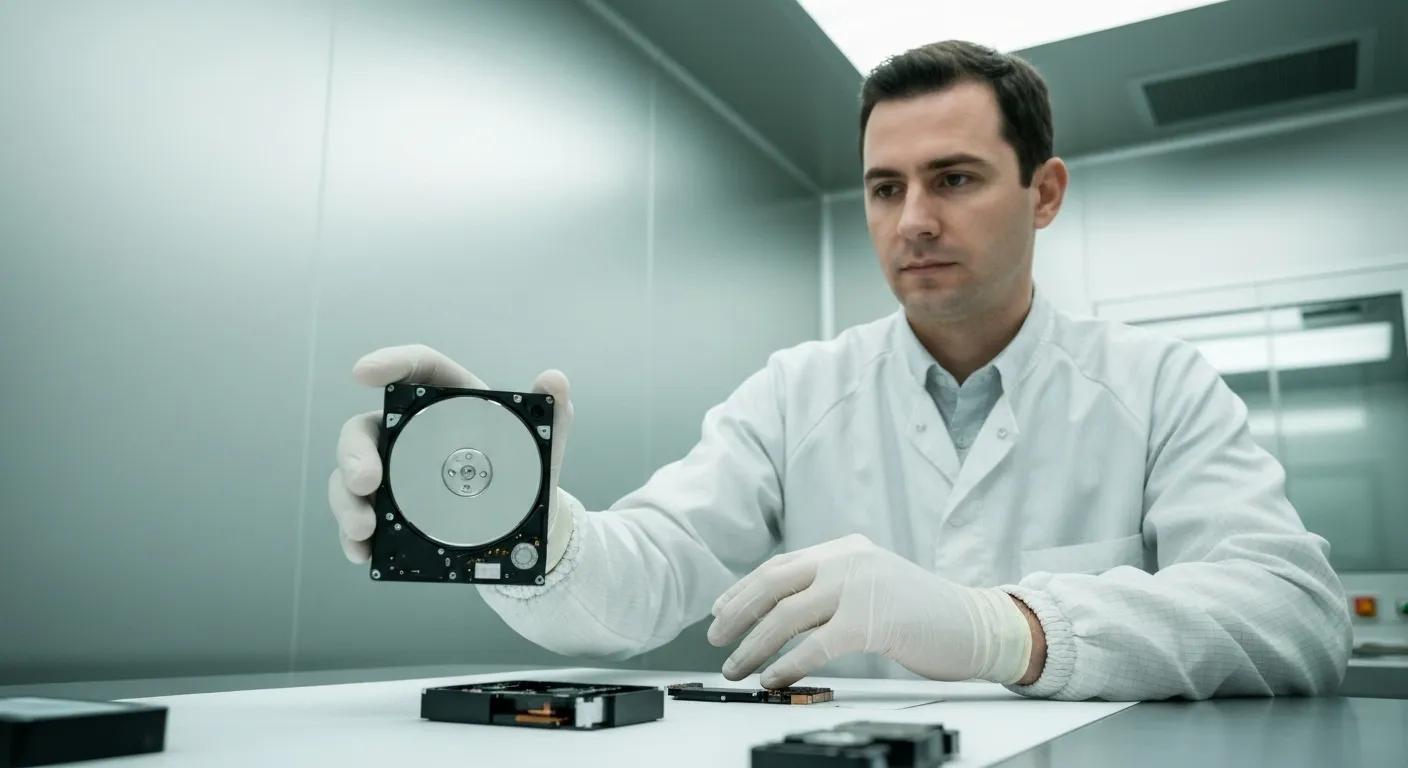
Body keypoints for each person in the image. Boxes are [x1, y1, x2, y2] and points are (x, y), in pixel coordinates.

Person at [327, 40, 1350, 700]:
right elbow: (637, 588)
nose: (911, 221)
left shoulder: (1156, 383)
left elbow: (1290, 616)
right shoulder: (796, 391)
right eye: (882, 187)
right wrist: (525, 526)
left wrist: (1006, 629)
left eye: (952, 178)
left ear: (1043, 194)